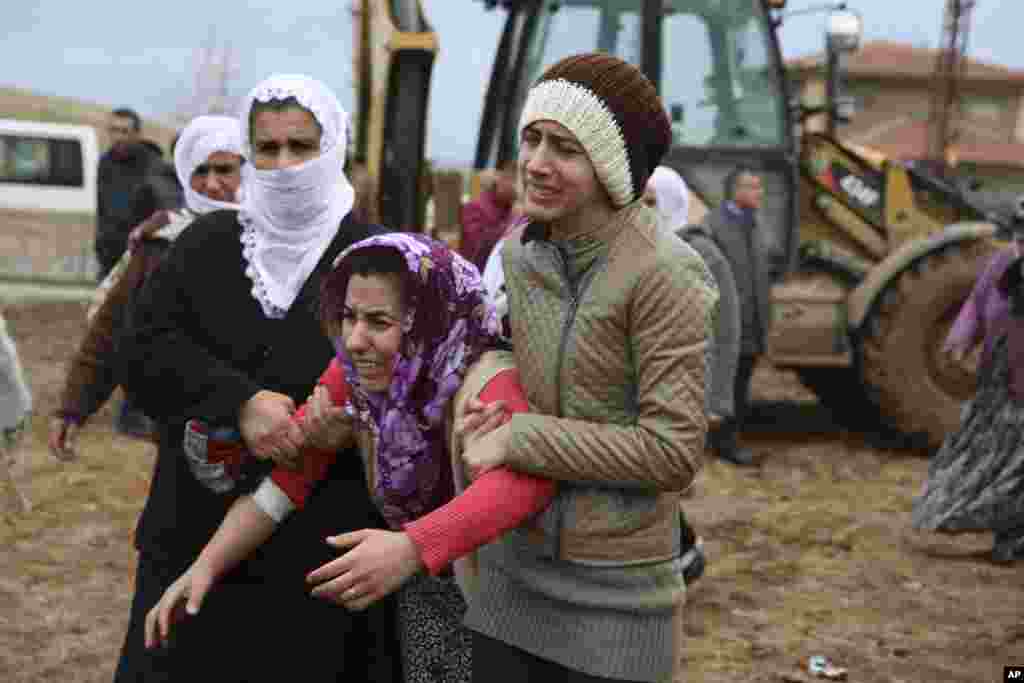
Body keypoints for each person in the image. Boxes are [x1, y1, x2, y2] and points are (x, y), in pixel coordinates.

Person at [144, 232, 564, 683]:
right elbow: (288, 483)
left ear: (430, 322)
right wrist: (205, 566)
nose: (356, 339)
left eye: (379, 321)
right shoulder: (360, 376)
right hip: (435, 604)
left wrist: (411, 547)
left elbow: (527, 483)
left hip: (522, 614)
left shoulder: (489, 381)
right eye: (348, 317)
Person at [112, 75, 400, 682]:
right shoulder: (208, 245)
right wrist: (238, 401)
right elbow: (139, 352)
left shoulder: (376, 256)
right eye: (266, 149)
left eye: (301, 147)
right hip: (191, 533)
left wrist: (351, 425)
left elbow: (414, 387)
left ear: (334, 147)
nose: (285, 165)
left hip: (324, 553)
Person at [458, 53, 717, 683]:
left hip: (616, 600)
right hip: (510, 578)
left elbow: (672, 453)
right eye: (533, 138)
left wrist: (522, 439)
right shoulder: (522, 252)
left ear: (611, 167)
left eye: (566, 149)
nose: (538, 162)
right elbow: (519, 357)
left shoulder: (665, 274)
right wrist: (493, 390)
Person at [48, 115, 245, 461]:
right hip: (180, 428)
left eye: (224, 170)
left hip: (259, 429)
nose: (212, 185)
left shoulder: (277, 243)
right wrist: (74, 408)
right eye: (199, 171)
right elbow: (113, 326)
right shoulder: (161, 243)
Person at [912, 224, 1024, 564]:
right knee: (995, 460)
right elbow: (977, 302)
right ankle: (1002, 532)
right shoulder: (1003, 261)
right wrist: (961, 338)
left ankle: (1011, 537)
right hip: (1000, 383)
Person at [700, 165, 770, 466]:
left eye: (759, 187)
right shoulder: (714, 225)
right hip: (728, 322)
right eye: (753, 187)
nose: (759, 192)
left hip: (752, 321)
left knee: (740, 385)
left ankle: (725, 439)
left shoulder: (753, 223)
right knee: (725, 385)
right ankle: (725, 444)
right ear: (737, 190)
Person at [95, 108, 166, 279]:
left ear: (136, 134)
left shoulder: (153, 165)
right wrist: (100, 244)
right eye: (114, 130)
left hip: (142, 256)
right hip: (110, 256)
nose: (118, 137)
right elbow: (102, 209)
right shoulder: (105, 163)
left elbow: (163, 211)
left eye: (124, 131)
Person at [460, 160, 519, 272]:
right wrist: (514, 222)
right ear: (499, 178)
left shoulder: (511, 209)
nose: (515, 188)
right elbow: (481, 248)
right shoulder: (475, 208)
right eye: (512, 180)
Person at [0, 311, 32, 514]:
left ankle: (17, 503)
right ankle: (16, 503)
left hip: (9, 411)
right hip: (14, 409)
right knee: (7, 461)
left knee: (7, 461)